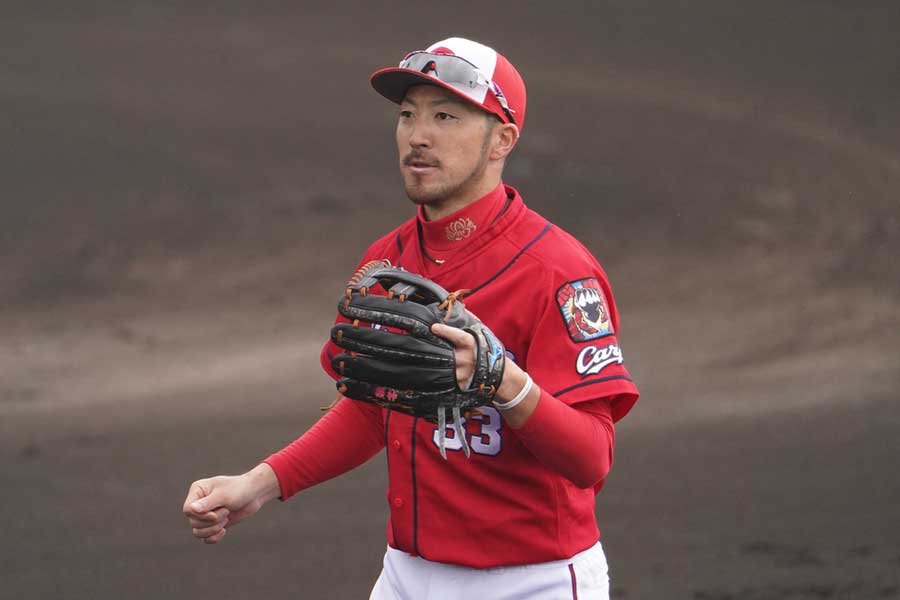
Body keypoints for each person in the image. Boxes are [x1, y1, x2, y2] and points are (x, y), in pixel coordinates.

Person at [183, 37, 639, 600]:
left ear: (502, 139)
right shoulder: (387, 265)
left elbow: (593, 457)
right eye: (407, 115)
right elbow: (374, 407)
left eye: (445, 116)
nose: (418, 135)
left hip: (532, 581)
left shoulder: (558, 272)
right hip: (406, 576)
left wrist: (507, 382)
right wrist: (261, 483)